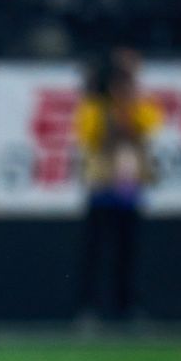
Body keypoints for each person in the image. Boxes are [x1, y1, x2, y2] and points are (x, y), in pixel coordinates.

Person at [74, 48, 162, 321]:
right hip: (102, 185)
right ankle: (91, 306)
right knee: (96, 251)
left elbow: (153, 123)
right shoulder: (96, 109)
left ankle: (128, 305)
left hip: (128, 188)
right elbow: (86, 134)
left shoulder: (137, 106)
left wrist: (130, 102)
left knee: (128, 250)